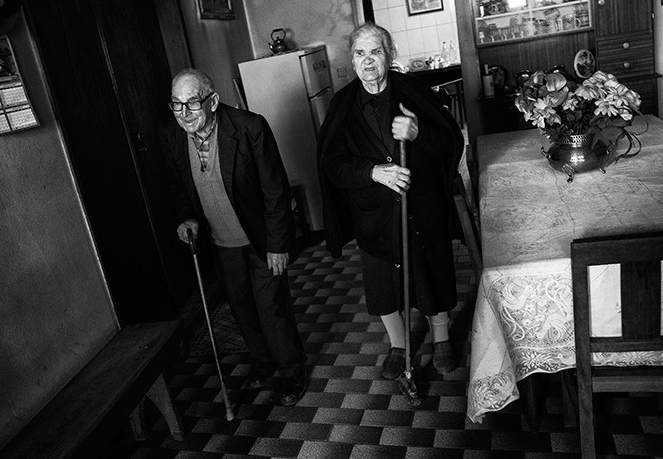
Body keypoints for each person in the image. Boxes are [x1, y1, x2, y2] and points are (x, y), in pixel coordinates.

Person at [318, 23, 464, 379]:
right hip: (375, 216)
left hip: (422, 207)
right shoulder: (342, 106)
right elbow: (332, 166)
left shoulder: (415, 91)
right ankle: (399, 344)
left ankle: (440, 337)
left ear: (390, 54)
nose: (368, 61)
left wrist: (418, 132)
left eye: (376, 52)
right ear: (352, 61)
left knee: (431, 273)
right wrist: (373, 172)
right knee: (384, 285)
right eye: (360, 54)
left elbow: (450, 145)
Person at [158, 69, 307, 406]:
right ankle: (264, 361)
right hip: (220, 241)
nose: (184, 114)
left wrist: (278, 244)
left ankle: (292, 368)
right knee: (240, 305)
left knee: (272, 308)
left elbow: (275, 189)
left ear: (212, 101)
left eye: (192, 104)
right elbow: (178, 187)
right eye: (176, 105)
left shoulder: (249, 127)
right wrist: (186, 218)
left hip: (259, 237)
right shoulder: (171, 135)